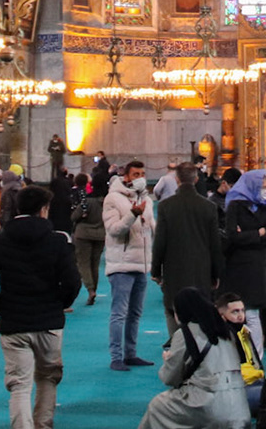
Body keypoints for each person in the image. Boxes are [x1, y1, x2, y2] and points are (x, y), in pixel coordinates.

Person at [0, 184, 79, 429]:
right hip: (49, 321)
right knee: (48, 379)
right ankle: (43, 424)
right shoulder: (57, 241)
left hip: (14, 322)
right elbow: (73, 282)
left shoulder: (1, 241)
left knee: (19, 386)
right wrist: (59, 303)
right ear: (44, 209)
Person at [137, 287, 254, 429]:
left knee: (157, 406)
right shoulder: (228, 331)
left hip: (208, 406)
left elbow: (169, 378)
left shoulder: (186, 334)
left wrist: (168, 360)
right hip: (240, 407)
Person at [153, 162, 224, 341]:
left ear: (177, 180)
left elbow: (160, 241)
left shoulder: (165, 206)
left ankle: (178, 349)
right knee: (200, 312)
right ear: (196, 179)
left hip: (173, 270)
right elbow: (214, 244)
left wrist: (156, 271)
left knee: (173, 309)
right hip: (201, 270)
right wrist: (217, 274)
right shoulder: (208, 207)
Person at [104, 158, 156, 371]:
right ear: (126, 177)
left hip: (142, 264)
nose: (140, 179)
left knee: (135, 313)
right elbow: (114, 229)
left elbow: (151, 227)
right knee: (119, 313)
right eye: (136, 175)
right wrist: (132, 215)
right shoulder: (113, 199)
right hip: (122, 265)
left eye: (142, 174)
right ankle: (116, 356)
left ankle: (131, 353)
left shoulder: (148, 200)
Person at [223, 168, 266, 354]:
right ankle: (237, 354)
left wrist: (246, 235)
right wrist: (257, 233)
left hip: (256, 266)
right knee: (236, 312)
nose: (265, 189)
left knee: (253, 314)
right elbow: (231, 236)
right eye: (262, 186)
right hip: (237, 266)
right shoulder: (235, 206)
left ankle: (255, 357)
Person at [218, 291, 264, 409]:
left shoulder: (244, 332)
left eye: (242, 310)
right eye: (235, 311)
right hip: (236, 391)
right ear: (221, 315)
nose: (240, 315)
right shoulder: (222, 338)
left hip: (253, 382)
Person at [71, 173, 106, 306]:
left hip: (83, 234)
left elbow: (74, 216)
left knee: (83, 263)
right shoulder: (106, 202)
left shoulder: (87, 201)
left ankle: (90, 289)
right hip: (100, 235)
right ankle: (94, 289)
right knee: (94, 264)